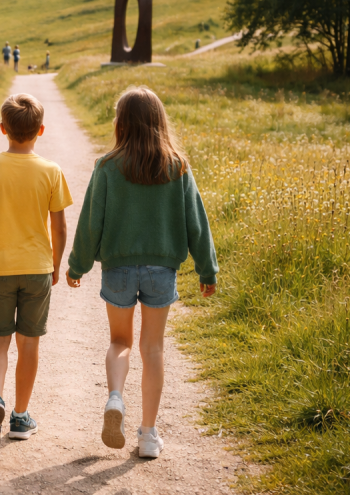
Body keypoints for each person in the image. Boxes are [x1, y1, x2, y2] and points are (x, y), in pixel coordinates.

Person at [66, 87, 218, 459]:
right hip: (161, 270)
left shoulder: (107, 166)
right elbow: (196, 221)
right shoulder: (177, 166)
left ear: (121, 123)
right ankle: (148, 435)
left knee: (121, 342)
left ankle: (115, 398)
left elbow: (91, 223)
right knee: (153, 348)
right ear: (159, 123)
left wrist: (77, 264)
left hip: (118, 268)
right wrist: (206, 268)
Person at [0, 94, 72, 451]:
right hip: (37, 268)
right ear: (40, 131)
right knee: (29, 343)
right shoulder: (51, 171)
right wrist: (57, 264)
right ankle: (20, 415)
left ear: (2, 130)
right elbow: (59, 228)